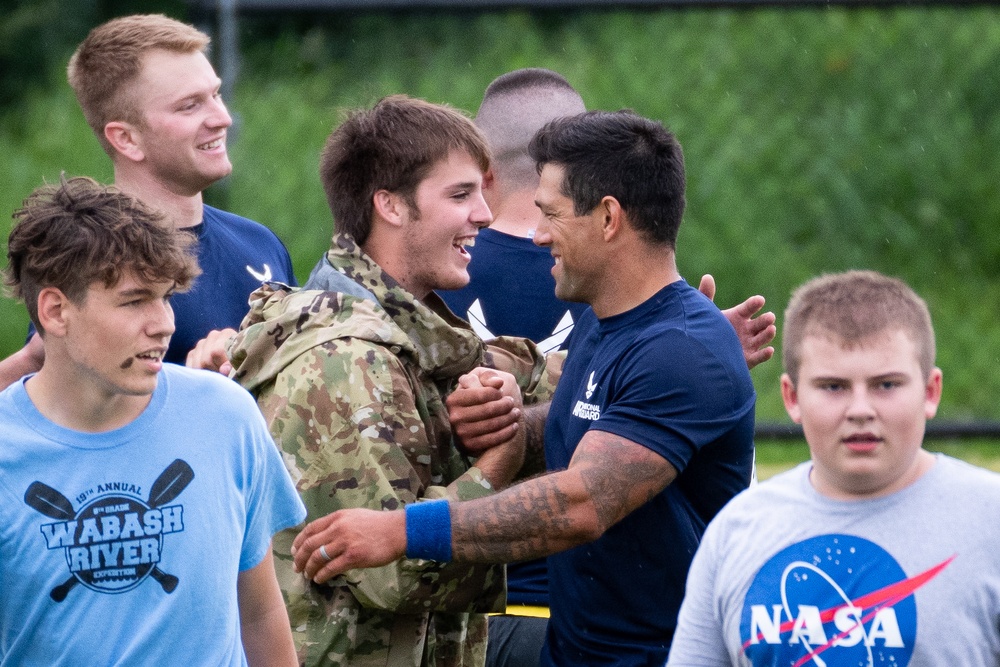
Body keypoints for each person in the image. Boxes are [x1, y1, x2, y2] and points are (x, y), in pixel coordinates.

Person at [290, 110, 759, 667]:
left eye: (551, 215)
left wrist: (402, 530)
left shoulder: (681, 348)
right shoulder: (606, 323)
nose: (536, 236)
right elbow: (582, 423)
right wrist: (504, 423)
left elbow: (581, 502)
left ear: (608, 218)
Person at [226, 95, 550, 667]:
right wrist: (502, 455)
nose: (484, 214)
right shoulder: (345, 361)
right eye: (460, 194)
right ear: (390, 207)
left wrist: (661, 341)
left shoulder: (405, 332)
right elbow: (391, 574)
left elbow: (524, 367)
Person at [0, 176, 306, 665]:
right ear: (56, 310)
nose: (164, 322)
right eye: (134, 300)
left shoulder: (225, 416)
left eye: (166, 296)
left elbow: (261, 614)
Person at [666, 270, 1000, 666]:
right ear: (792, 397)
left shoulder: (990, 521)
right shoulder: (736, 531)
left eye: (887, 385)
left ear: (930, 392)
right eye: (833, 387)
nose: (860, 410)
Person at [0, 13, 295, 389]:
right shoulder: (93, 260)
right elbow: (58, 404)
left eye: (216, 94)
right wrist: (197, 390)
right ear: (126, 139)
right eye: (189, 105)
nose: (222, 118)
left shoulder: (260, 242)